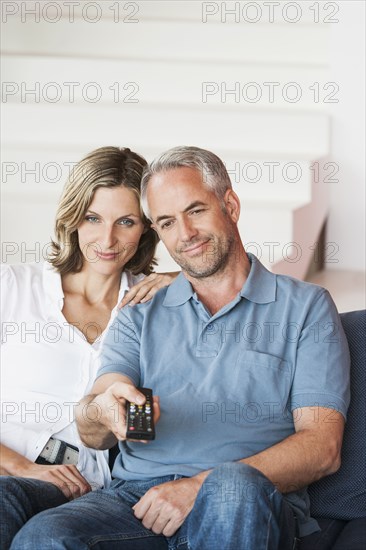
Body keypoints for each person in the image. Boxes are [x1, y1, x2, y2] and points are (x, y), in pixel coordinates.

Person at [10, 146, 351, 550]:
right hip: (135, 501)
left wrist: (196, 487)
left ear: (230, 204)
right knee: (45, 535)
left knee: (231, 487)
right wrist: (102, 411)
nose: (185, 234)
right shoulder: (138, 310)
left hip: (243, 499)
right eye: (168, 222)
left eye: (196, 211)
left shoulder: (305, 306)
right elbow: (96, 415)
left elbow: (322, 447)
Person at [0, 146, 177, 549]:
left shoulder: (152, 307)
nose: (107, 239)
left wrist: (189, 281)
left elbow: (250, 289)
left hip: (83, 490)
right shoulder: (12, 287)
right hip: (8, 469)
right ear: (73, 217)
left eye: (126, 222)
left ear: (147, 228)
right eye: (93, 218)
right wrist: (21, 466)